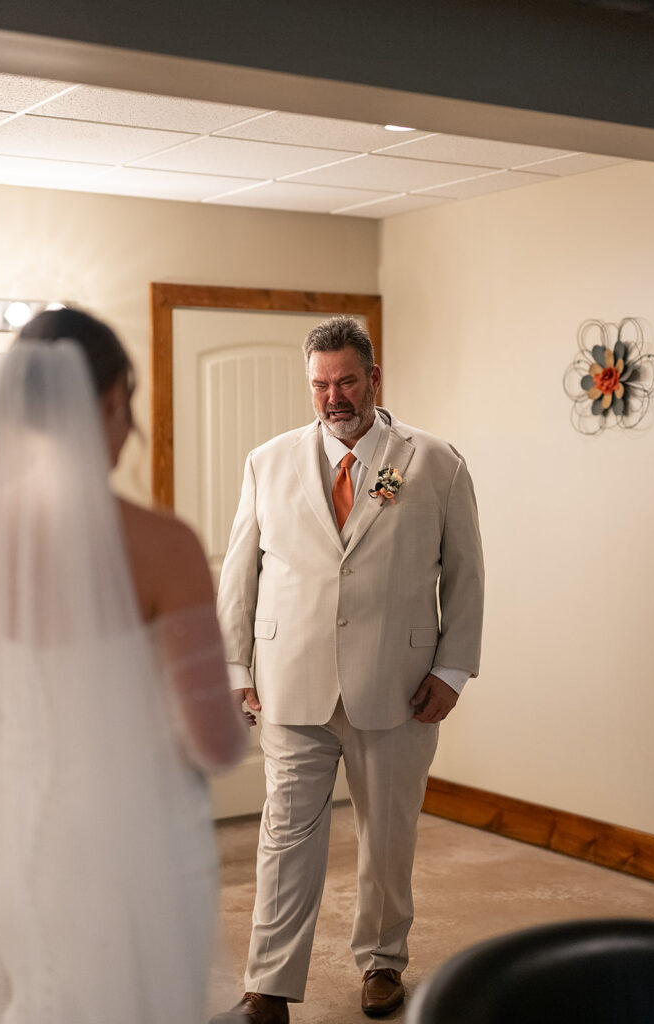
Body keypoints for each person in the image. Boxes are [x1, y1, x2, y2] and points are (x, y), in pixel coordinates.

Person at [212, 316, 484, 1023]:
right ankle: (267, 986)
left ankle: (382, 962)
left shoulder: (433, 461)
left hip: (397, 686)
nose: (333, 397)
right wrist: (235, 663)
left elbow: (465, 574)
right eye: (319, 384)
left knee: (386, 836)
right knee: (285, 836)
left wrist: (453, 669)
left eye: (346, 381)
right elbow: (240, 572)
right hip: (288, 683)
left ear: (373, 379)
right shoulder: (266, 462)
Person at [0, 308, 248, 1024]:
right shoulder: (161, 544)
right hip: (133, 853)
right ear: (110, 401)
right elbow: (213, 743)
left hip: (16, 839)